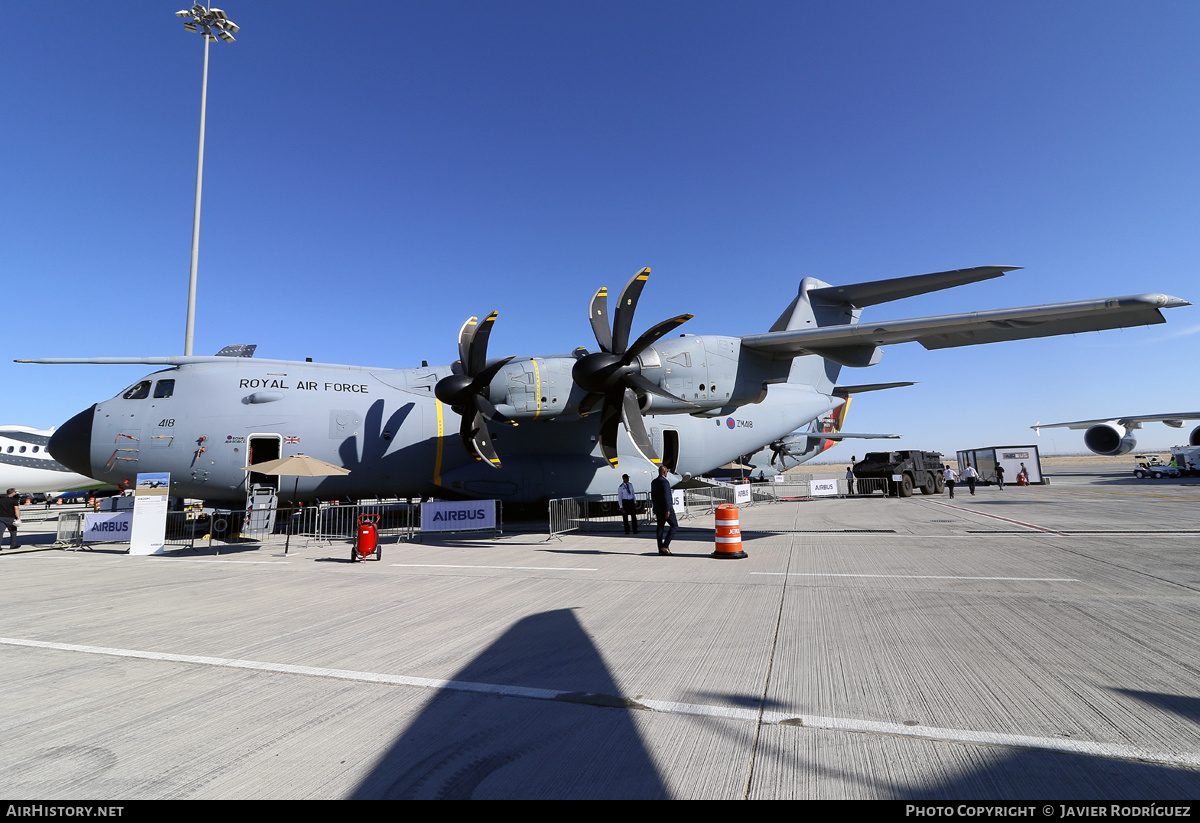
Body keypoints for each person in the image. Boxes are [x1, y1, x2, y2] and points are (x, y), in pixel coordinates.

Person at [650, 465, 677, 555]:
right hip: (666, 508)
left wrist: (654, 507)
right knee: (674, 526)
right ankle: (665, 546)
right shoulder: (665, 482)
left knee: (660, 527)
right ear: (664, 472)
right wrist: (668, 509)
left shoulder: (654, 482)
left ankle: (660, 549)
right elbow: (666, 496)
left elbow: (653, 496)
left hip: (658, 509)